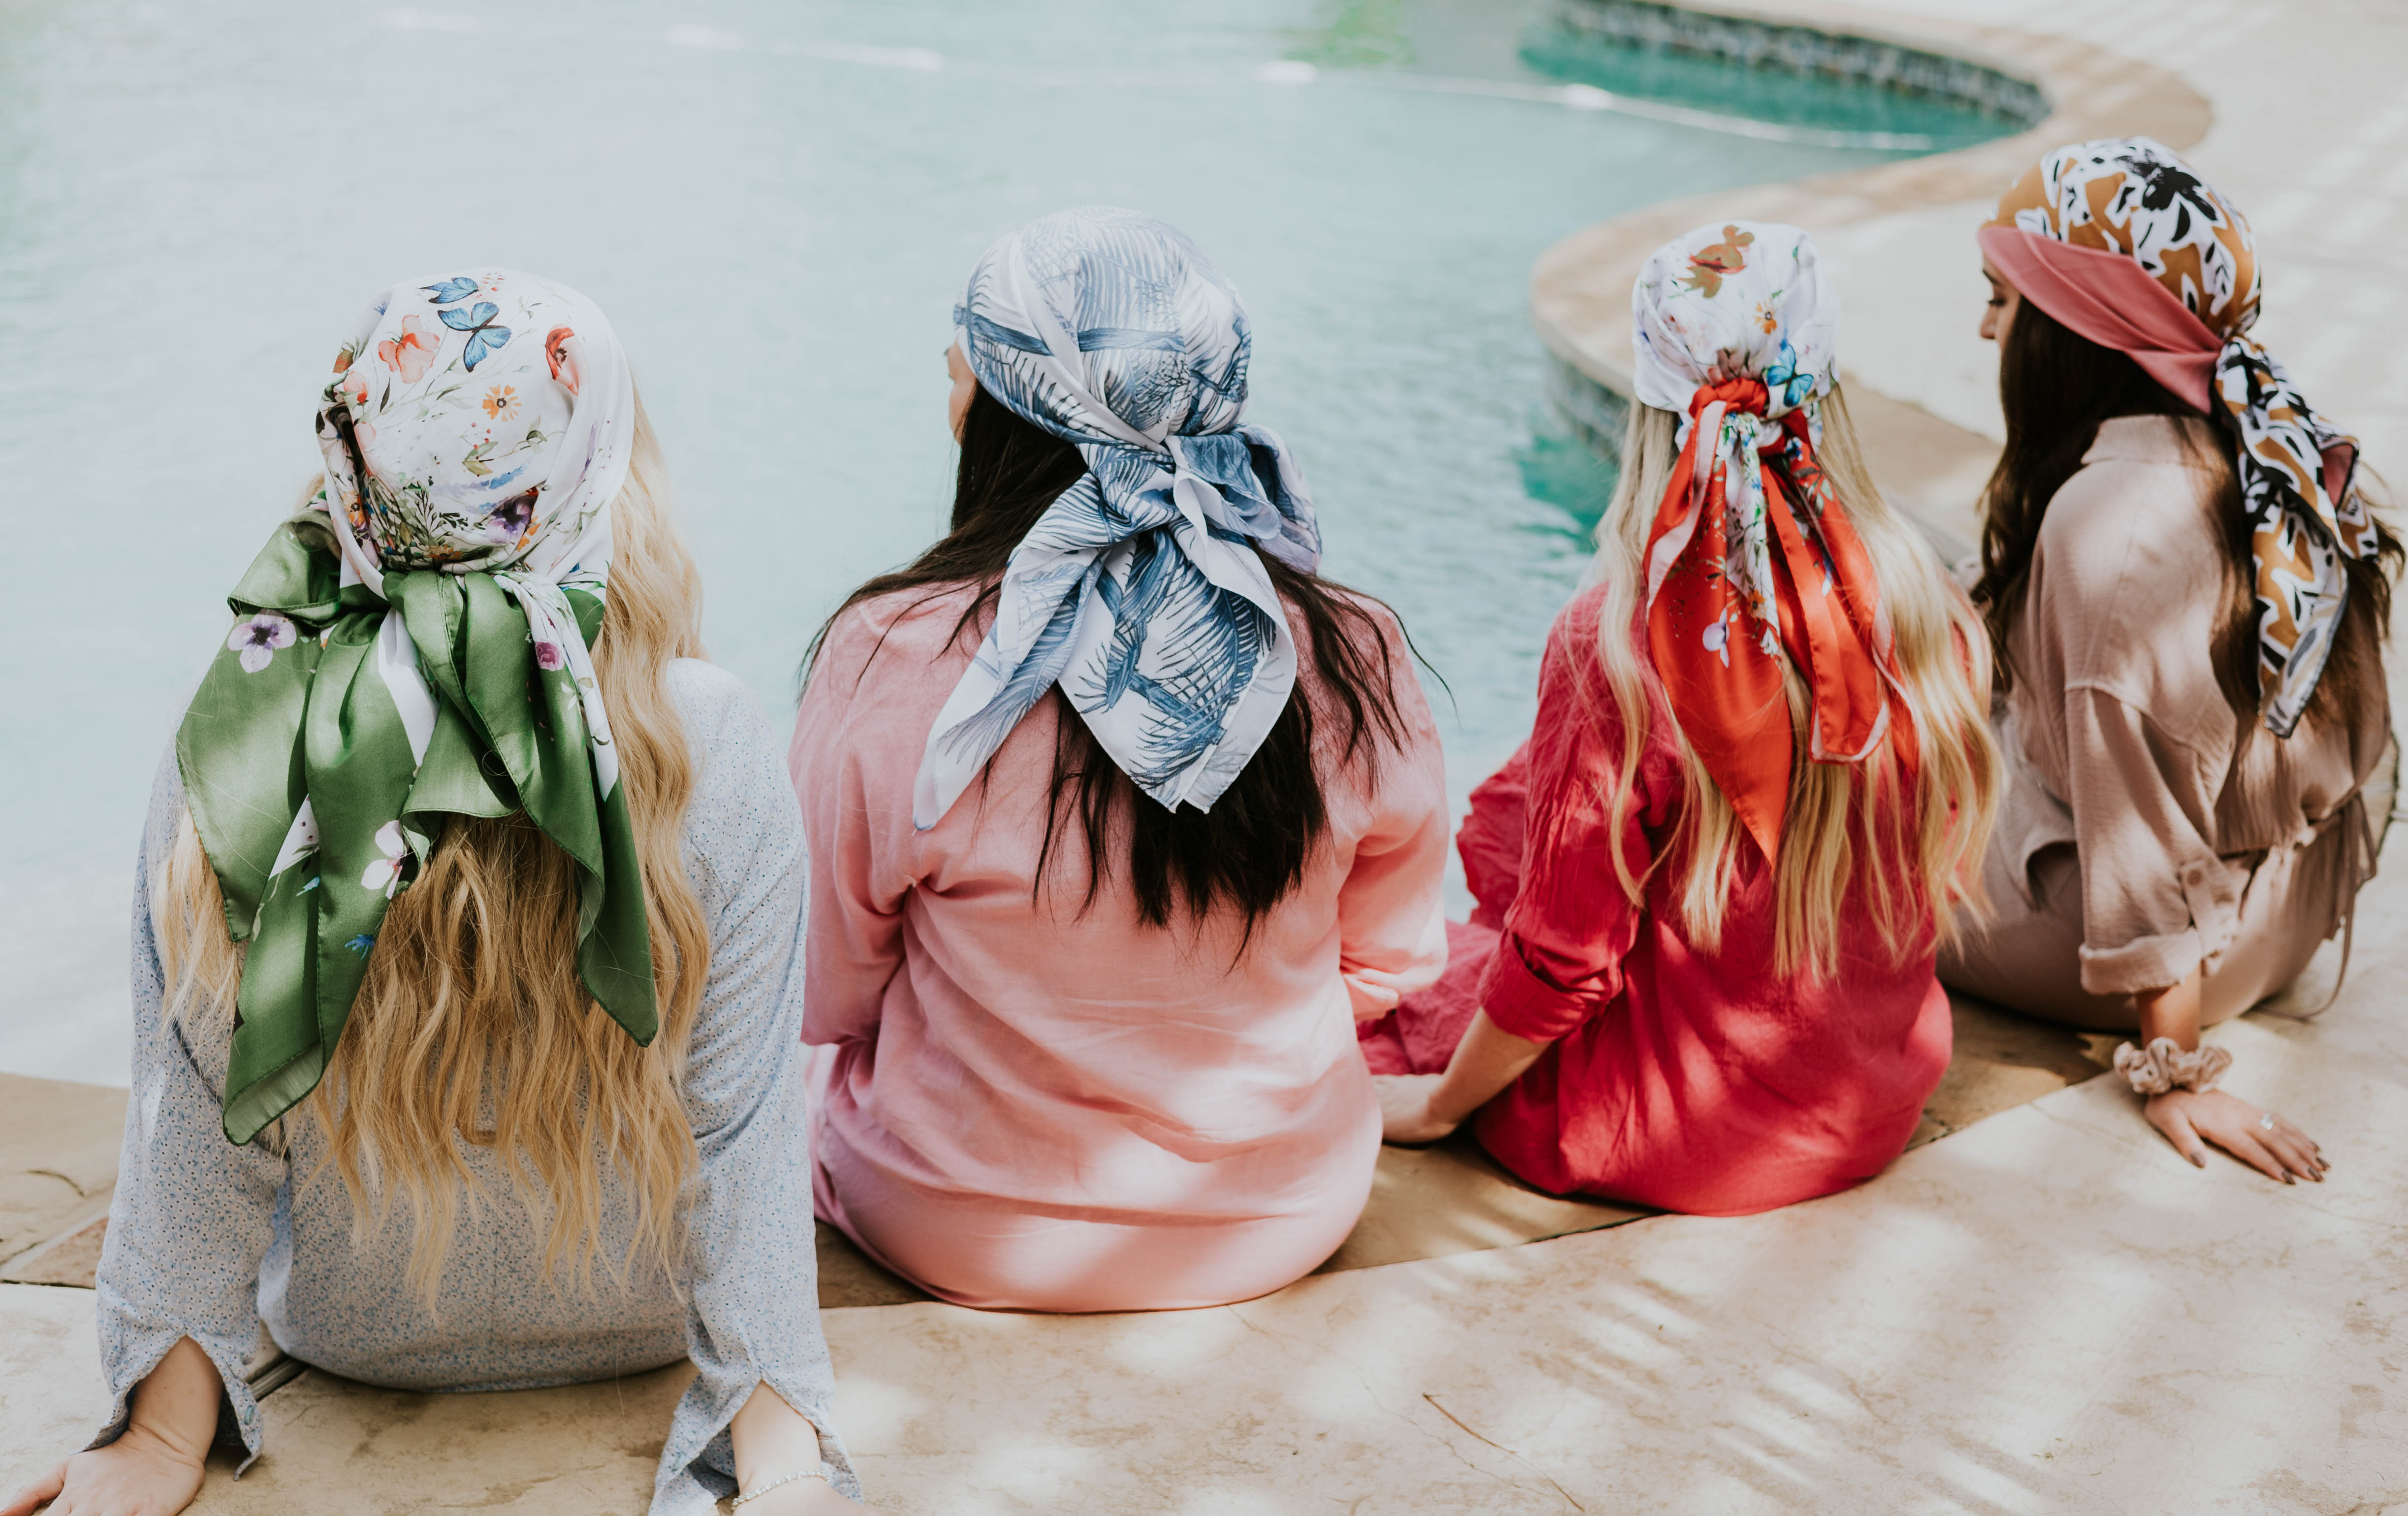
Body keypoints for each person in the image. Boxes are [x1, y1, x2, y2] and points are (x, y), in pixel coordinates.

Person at [2, 273, 862, 1516]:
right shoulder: (700, 738)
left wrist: (156, 1439)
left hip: (353, 1330)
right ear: (598, 476)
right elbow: (742, 1132)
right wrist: (783, 1465)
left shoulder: (247, 732)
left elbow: (195, 1117)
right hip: (640, 1318)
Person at [791, 207, 1449, 1312]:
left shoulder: (892, 652)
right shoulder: (1352, 645)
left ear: (1002, 418)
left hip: (959, 1216)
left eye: (960, 376)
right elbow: (1390, 962)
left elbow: (823, 988)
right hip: (1281, 1212)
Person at [1368, 221, 2001, 1216]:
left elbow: (1563, 961)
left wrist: (1440, 1109)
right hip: (1868, 1100)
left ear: (1648, 394)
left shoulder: (1619, 644)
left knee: (1389, 985)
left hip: (1671, 1134)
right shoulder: (1921, 597)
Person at [1939, 137, 2396, 1183]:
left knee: (1815, 775)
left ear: (2074, 326)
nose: (1983, 327)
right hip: (2285, 912)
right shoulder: (2267, 446)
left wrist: (2174, 1066)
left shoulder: (2108, 530)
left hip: (2118, 957)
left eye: (2002, 300)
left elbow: (2137, 821)